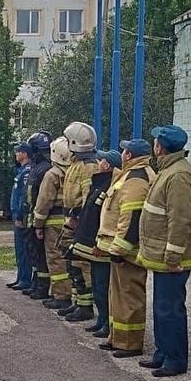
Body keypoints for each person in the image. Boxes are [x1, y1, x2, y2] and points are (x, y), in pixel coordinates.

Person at [137, 124, 191, 377]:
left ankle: (175, 360)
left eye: (155, 142)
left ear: (160, 147)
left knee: (171, 308)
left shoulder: (178, 175)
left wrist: (173, 256)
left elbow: (181, 219)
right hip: (162, 256)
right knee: (162, 307)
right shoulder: (169, 170)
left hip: (172, 259)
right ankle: (163, 353)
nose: (153, 145)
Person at [96, 138, 155, 358]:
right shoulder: (131, 175)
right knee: (118, 296)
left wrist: (119, 249)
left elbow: (131, 217)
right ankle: (118, 338)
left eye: (124, 151)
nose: (121, 154)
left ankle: (130, 344)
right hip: (122, 249)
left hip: (128, 251)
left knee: (129, 297)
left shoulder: (137, 179)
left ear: (129, 156)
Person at [70, 149, 121, 337]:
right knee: (98, 285)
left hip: (101, 245)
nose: (97, 163)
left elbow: (102, 219)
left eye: (100, 160)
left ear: (106, 165)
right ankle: (101, 320)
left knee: (102, 286)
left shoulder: (108, 186)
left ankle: (107, 323)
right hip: (94, 245)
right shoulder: (99, 184)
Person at [59, 122, 99, 322]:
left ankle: (85, 307)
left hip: (78, 223)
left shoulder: (89, 167)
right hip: (71, 221)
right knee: (71, 264)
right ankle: (77, 303)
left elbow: (88, 199)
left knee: (81, 265)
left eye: (67, 141)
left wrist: (80, 221)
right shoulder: (76, 164)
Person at [35, 135, 72, 308]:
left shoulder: (52, 175)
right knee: (70, 259)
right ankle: (70, 293)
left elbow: (44, 201)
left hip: (53, 223)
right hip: (71, 220)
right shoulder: (75, 171)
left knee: (55, 258)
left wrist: (38, 224)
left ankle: (61, 296)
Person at [23, 132, 53, 299]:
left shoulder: (44, 168)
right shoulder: (37, 167)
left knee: (40, 253)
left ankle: (42, 286)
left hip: (37, 216)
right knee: (33, 251)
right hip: (31, 215)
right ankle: (37, 283)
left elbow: (41, 197)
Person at [7, 143, 33, 290]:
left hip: (21, 216)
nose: (16, 154)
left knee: (24, 249)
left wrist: (20, 216)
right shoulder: (20, 170)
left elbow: (24, 195)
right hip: (16, 214)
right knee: (19, 249)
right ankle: (20, 277)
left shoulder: (27, 171)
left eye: (18, 152)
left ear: (25, 154)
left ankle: (25, 279)